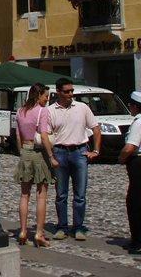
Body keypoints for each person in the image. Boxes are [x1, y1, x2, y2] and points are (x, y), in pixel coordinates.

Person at [48, 77, 102, 241]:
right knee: (61, 194)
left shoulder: (82, 107)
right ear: (58, 92)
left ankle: (78, 227)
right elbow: (47, 135)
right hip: (60, 152)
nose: (70, 94)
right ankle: (62, 227)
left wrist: (96, 150)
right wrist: (51, 156)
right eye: (67, 91)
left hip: (79, 152)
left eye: (72, 91)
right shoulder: (51, 110)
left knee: (80, 194)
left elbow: (96, 128)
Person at [14, 83, 59, 247]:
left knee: (24, 195)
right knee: (42, 194)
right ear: (38, 95)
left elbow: (18, 136)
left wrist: (22, 152)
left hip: (25, 151)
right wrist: (51, 156)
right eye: (45, 96)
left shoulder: (20, 111)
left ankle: (23, 231)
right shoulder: (42, 111)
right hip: (39, 153)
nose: (47, 99)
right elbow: (45, 136)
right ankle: (39, 233)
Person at [119, 91, 141, 254]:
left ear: (135, 106)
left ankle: (137, 241)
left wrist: (121, 158)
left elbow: (130, 146)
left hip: (138, 163)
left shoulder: (138, 122)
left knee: (134, 202)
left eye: (131, 105)